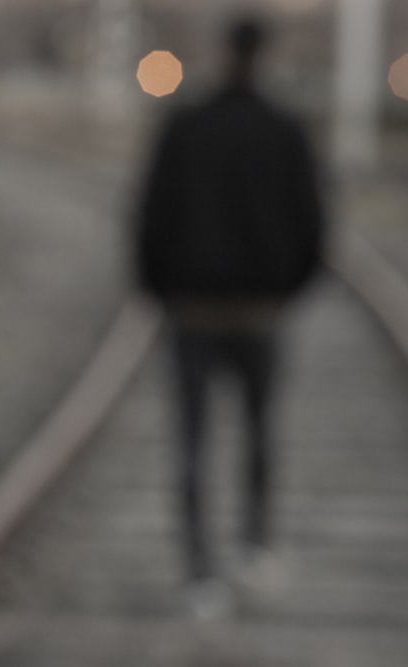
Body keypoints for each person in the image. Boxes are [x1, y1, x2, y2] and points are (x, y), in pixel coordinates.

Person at [133, 16, 325, 615]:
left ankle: (198, 574)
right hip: (259, 313)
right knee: (259, 434)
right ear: (265, 52)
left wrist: (163, 291)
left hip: (192, 311)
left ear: (222, 52)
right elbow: (314, 229)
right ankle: (255, 549)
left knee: (193, 443)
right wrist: (282, 292)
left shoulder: (184, 125)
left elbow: (148, 220)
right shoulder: (287, 129)